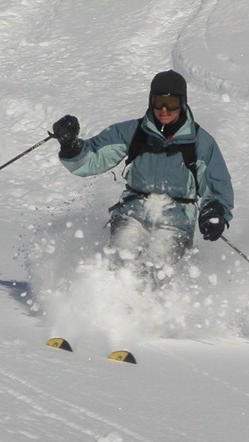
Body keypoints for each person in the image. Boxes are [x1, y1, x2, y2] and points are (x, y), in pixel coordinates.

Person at [52, 69, 233, 282]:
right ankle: (109, 304)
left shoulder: (201, 143)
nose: (164, 110)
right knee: (122, 255)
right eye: (158, 102)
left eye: (172, 103)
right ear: (150, 101)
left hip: (176, 221)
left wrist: (214, 213)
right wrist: (71, 146)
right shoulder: (134, 132)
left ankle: (151, 310)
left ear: (182, 103)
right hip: (132, 212)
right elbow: (92, 159)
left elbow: (217, 188)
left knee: (157, 267)